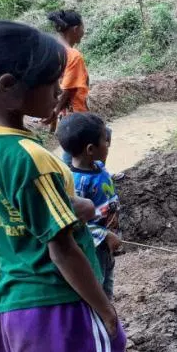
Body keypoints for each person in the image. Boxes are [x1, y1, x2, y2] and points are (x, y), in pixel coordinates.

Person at [0, 21, 123, 352]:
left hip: (12, 305)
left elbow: (19, 210)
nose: (60, 93)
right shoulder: (30, 157)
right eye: (51, 83)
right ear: (9, 86)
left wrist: (71, 205)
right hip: (57, 305)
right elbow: (63, 250)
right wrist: (106, 311)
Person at [57, 113, 122, 299]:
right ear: (90, 149)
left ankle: (107, 310)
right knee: (97, 285)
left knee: (108, 282)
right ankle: (100, 317)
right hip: (93, 246)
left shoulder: (99, 166)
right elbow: (75, 222)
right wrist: (105, 235)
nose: (108, 145)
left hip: (107, 241)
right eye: (105, 141)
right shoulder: (77, 184)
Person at [44, 10, 89, 131]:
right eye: (82, 28)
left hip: (60, 116)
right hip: (74, 114)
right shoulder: (74, 55)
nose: (83, 32)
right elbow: (67, 89)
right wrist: (55, 111)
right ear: (75, 29)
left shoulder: (51, 50)